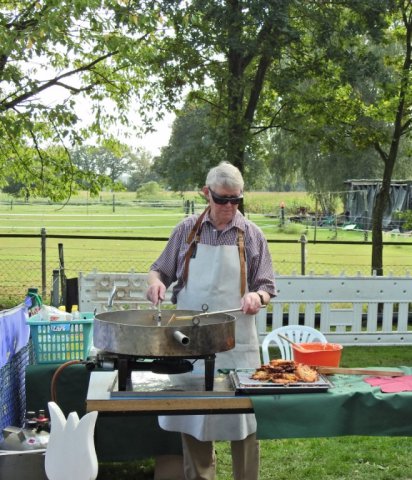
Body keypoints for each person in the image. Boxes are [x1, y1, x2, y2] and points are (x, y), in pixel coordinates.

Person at [146, 161, 276, 480]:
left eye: (236, 200)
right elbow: (159, 269)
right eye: (222, 199)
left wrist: (256, 298)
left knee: (243, 422)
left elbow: (267, 285)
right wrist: (155, 283)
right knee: (194, 416)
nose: (229, 207)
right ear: (207, 194)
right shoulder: (185, 230)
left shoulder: (252, 235)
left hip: (237, 343)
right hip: (191, 340)